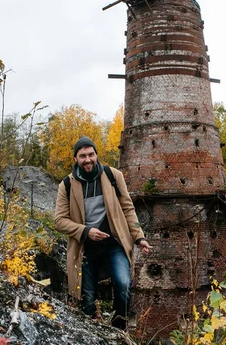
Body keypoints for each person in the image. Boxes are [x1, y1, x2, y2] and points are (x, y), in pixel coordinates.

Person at [54, 136, 152, 329]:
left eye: (91, 154)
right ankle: (93, 335)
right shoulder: (66, 185)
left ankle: (118, 330)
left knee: (123, 285)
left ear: (96, 155)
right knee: (87, 300)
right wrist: (86, 231)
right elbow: (59, 221)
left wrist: (139, 237)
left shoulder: (113, 175)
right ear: (75, 159)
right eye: (83, 156)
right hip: (85, 249)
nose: (88, 159)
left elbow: (128, 208)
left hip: (114, 244)